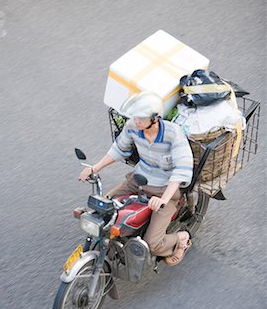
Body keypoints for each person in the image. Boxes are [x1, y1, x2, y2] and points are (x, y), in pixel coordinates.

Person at [79, 92, 194, 266]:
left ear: (155, 118)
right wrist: (94, 168)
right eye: (135, 117)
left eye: (141, 118)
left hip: (164, 189)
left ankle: (182, 238)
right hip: (138, 181)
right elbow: (119, 149)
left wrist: (164, 199)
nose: (136, 121)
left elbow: (182, 169)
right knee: (102, 211)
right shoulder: (133, 127)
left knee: (153, 245)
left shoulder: (173, 133)